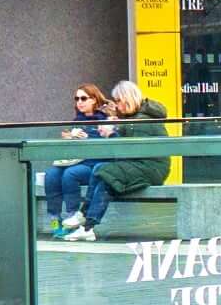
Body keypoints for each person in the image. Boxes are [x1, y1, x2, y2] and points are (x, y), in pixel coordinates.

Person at [43, 80, 168, 240]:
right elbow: (129, 144)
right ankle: (83, 225)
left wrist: (111, 133)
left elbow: (131, 149)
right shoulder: (131, 117)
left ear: (127, 98)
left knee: (94, 172)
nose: (116, 105)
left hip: (150, 168)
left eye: (118, 101)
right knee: (58, 175)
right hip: (137, 164)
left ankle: (82, 219)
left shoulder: (142, 118)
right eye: (77, 99)